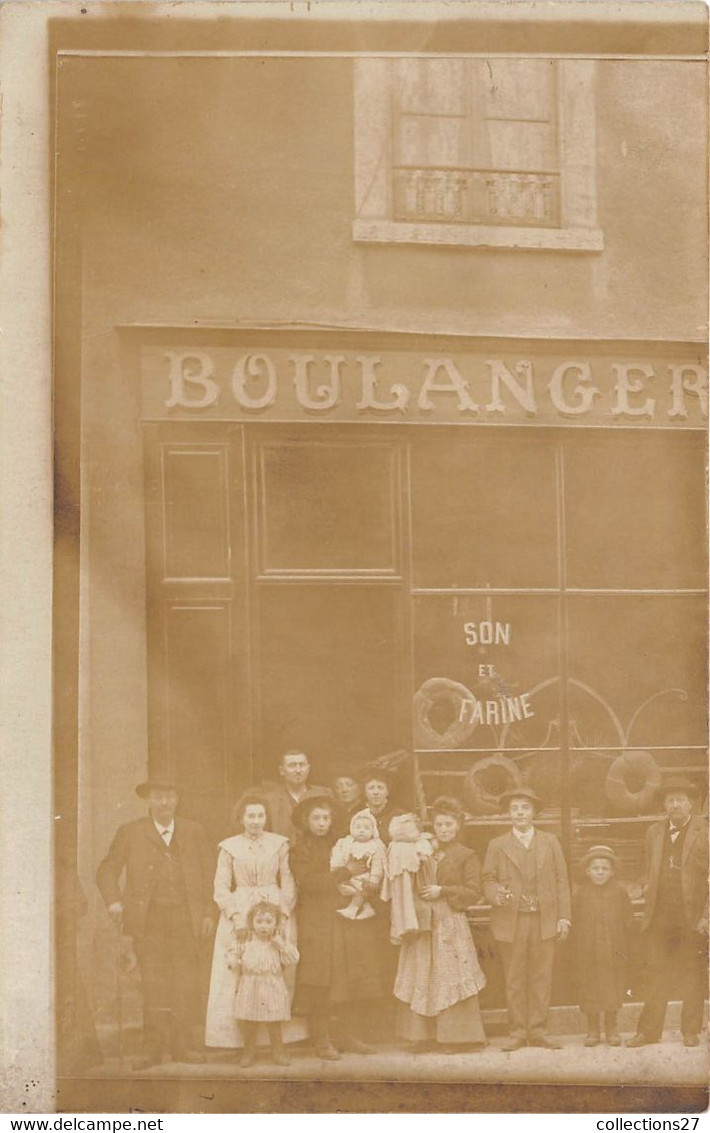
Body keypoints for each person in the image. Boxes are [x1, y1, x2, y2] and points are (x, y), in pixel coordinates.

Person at [96, 776, 215, 1069]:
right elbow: (107, 870)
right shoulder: (131, 832)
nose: (164, 803)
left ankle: (181, 1046)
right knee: (153, 981)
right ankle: (154, 1048)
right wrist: (114, 901)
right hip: (148, 920)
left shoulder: (194, 831)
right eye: (158, 797)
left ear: (177, 800)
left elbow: (212, 874)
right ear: (148, 800)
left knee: (185, 981)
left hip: (187, 918)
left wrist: (210, 912)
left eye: (170, 797)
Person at [290, 790, 385, 1057]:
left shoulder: (343, 843)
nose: (321, 823)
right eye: (316, 818)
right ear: (306, 820)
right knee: (321, 980)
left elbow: (366, 869)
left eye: (326, 818)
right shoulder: (299, 849)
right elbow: (309, 882)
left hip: (344, 915)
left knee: (347, 978)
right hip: (316, 919)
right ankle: (320, 1039)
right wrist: (344, 873)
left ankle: (347, 1035)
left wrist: (352, 883)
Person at [392, 796, 487, 1049]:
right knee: (422, 972)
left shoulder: (467, 855)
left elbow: (473, 891)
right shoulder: (421, 849)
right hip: (423, 921)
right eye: (439, 825)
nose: (444, 829)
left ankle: (456, 1036)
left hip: (450, 921)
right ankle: (421, 1036)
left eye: (449, 824)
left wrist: (442, 891)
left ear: (458, 826)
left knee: (451, 973)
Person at [204, 793, 298, 1050]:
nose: (256, 821)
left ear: (266, 817)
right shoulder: (229, 847)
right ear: (241, 818)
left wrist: (284, 914)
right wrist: (235, 916)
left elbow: (288, 880)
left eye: (260, 815)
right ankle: (238, 1042)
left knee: (275, 971)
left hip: (273, 909)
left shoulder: (279, 844)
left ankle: (278, 1042)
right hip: (241, 907)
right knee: (236, 973)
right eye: (250, 816)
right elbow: (221, 886)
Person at [483, 787, 571, 1052]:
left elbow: (561, 880)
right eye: (514, 808)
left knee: (541, 976)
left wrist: (564, 917)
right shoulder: (497, 845)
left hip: (544, 919)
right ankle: (518, 1031)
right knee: (515, 977)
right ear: (508, 814)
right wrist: (497, 894)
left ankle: (539, 1030)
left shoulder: (550, 841)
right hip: (512, 921)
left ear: (534, 812)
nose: (520, 813)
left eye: (525, 808)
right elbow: (488, 879)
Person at [626, 777, 708, 1049]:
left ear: (690, 805)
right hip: (659, 917)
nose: (674, 805)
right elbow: (648, 870)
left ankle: (690, 1030)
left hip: (692, 917)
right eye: (670, 801)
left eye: (680, 800)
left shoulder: (705, 832)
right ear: (664, 804)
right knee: (656, 974)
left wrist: (706, 917)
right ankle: (648, 1032)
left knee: (692, 974)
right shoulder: (653, 832)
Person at [572, 845, 635, 1047]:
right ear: (587, 871)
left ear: (613, 872)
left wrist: (625, 945)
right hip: (587, 948)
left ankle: (611, 1027)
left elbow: (628, 921)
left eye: (605, 868)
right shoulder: (581, 893)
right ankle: (592, 1029)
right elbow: (576, 921)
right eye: (596, 868)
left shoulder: (619, 892)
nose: (600, 872)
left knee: (613, 986)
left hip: (613, 948)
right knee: (589, 985)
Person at [227, 901, 300, 1069]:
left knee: (274, 1022)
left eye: (268, 922)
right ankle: (249, 1051)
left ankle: (278, 1050)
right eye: (259, 922)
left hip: (271, 985)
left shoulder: (278, 942)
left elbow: (293, 959)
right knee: (250, 1022)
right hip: (250, 985)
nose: (264, 926)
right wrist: (234, 961)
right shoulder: (247, 941)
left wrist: (281, 945)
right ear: (251, 923)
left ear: (276, 924)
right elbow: (233, 953)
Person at [384, 812, 436, 942]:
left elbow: (426, 857)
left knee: (417, 902)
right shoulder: (394, 846)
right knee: (400, 901)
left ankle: (416, 925)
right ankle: (402, 928)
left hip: (419, 878)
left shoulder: (421, 842)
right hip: (400, 879)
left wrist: (421, 858)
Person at [330, 809, 387, 921]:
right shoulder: (346, 843)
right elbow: (338, 857)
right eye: (358, 827)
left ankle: (353, 909)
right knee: (346, 889)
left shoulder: (375, 846)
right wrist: (338, 868)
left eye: (366, 828)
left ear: (373, 830)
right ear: (352, 829)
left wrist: (374, 880)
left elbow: (377, 866)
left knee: (361, 891)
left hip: (366, 878)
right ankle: (366, 907)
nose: (361, 831)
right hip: (347, 876)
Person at [261, 750, 331, 838]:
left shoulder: (323, 795)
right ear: (282, 771)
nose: (298, 770)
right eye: (292, 765)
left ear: (308, 769)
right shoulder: (270, 800)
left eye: (302, 765)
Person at [360, 767, 402, 842]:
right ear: (364, 792)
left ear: (387, 792)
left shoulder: (399, 816)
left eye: (380, 788)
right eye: (371, 788)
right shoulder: (359, 816)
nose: (376, 792)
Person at [329, 763, 365, 835]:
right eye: (338, 786)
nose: (344, 790)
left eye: (349, 785)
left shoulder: (367, 811)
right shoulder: (332, 813)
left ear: (360, 788)